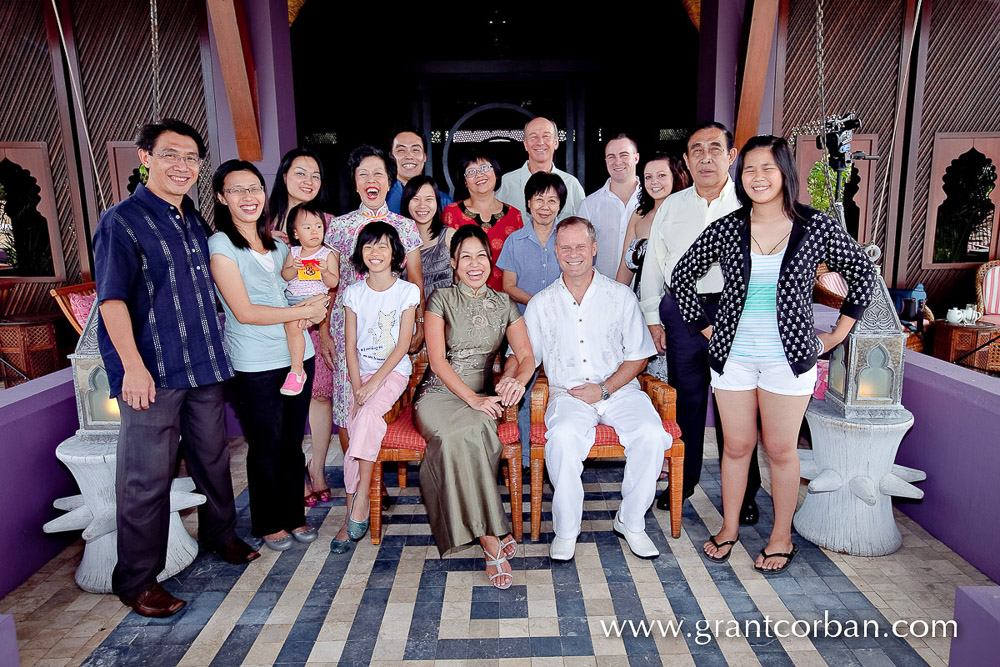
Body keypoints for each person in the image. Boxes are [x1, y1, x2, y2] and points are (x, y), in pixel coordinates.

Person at [672, 135, 877, 573]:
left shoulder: (815, 227)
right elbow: (681, 276)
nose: (758, 177)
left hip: (789, 360)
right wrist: (708, 329)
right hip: (733, 360)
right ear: (739, 175)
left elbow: (862, 273)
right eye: (749, 169)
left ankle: (781, 537)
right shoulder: (728, 227)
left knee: (781, 449)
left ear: (785, 172)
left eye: (767, 168)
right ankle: (729, 527)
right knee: (737, 447)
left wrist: (837, 334)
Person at [95, 119, 257, 618]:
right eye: (170, 155)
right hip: (155, 372)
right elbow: (112, 301)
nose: (182, 166)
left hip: (204, 366)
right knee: (146, 477)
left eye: (191, 158)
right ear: (145, 157)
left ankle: (219, 535)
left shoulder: (193, 219)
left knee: (213, 459)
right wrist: (133, 368)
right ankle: (137, 580)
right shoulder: (120, 221)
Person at [525, 217, 671, 562]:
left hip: (619, 390)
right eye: (565, 247)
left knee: (650, 434)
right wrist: (511, 379)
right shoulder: (541, 305)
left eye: (580, 246)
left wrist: (604, 389)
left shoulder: (619, 296)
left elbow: (638, 358)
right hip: (568, 394)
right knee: (560, 439)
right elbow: (527, 359)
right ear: (555, 251)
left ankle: (631, 522)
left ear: (593, 249)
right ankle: (566, 530)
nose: (573, 254)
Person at [639, 122, 761, 522]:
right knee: (687, 403)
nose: (705, 158)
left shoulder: (751, 204)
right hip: (683, 315)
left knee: (737, 405)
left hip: (736, 311)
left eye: (714, 149)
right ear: (686, 161)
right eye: (697, 151)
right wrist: (654, 317)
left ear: (731, 155)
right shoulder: (672, 207)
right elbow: (655, 268)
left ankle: (743, 495)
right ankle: (683, 482)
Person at [208, 160, 330, 552]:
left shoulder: (278, 246)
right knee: (266, 444)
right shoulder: (221, 245)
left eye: (254, 189)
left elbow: (293, 288)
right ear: (221, 197)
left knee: (294, 441)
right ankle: (268, 521)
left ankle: (294, 514)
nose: (248, 197)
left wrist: (315, 303)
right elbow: (243, 311)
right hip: (254, 363)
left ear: (265, 194)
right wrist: (303, 312)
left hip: (298, 355)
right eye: (237, 190)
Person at [413, 224, 535, 589]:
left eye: (480, 255)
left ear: (490, 260)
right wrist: (474, 399)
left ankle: (487, 532)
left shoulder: (504, 303)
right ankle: (492, 541)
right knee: (460, 432)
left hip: (481, 395)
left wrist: (516, 380)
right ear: (454, 262)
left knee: (477, 429)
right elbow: (436, 360)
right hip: (438, 394)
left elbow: (526, 355)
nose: (474, 262)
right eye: (465, 256)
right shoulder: (441, 298)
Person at [322, 145, 425, 457]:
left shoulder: (405, 226)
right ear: (355, 183)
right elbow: (330, 284)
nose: (371, 179)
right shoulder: (338, 227)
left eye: (378, 173)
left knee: (379, 401)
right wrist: (325, 330)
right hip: (346, 330)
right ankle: (360, 481)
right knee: (347, 405)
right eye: (362, 173)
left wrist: (418, 322)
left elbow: (416, 279)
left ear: (390, 182)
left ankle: (374, 473)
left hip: (390, 330)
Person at [331, 222, 420, 553]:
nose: (375, 252)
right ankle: (356, 503)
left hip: (393, 373)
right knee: (358, 422)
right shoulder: (353, 293)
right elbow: (350, 346)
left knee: (366, 418)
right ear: (360, 254)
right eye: (368, 247)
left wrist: (373, 386)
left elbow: (402, 347)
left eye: (383, 246)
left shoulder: (407, 291)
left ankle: (360, 501)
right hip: (361, 376)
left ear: (395, 252)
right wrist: (357, 388)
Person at [268, 147, 335, 505]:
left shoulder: (328, 221)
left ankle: (319, 469)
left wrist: (324, 329)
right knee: (282, 400)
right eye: (300, 173)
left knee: (320, 396)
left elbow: (334, 279)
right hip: (271, 324)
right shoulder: (262, 221)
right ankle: (291, 473)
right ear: (283, 176)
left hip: (317, 320)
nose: (309, 181)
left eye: (315, 175)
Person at [496, 171, 566, 468]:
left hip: (564, 327)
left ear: (560, 205)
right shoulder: (515, 240)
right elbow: (508, 286)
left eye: (552, 200)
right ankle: (525, 458)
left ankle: (558, 455)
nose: (545, 206)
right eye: (539, 199)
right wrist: (538, 303)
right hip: (523, 327)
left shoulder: (567, 239)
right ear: (528, 202)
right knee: (521, 384)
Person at [615, 152, 691, 388]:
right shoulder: (639, 216)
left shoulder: (688, 214)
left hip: (675, 308)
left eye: (661, 175)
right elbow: (624, 270)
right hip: (639, 309)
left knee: (674, 383)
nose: (654, 182)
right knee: (642, 379)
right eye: (648, 177)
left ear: (676, 176)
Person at [279, 201, 339, 396]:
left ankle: (296, 372)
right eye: (307, 227)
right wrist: (293, 267)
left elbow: (333, 282)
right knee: (292, 325)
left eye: (318, 226)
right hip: (294, 299)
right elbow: (285, 276)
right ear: (296, 233)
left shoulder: (326, 254)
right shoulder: (294, 253)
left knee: (293, 325)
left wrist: (324, 271)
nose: (314, 231)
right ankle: (296, 369)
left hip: (317, 299)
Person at [441, 152, 523, 291]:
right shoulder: (452, 213)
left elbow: (520, 263)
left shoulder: (514, 215)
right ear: (464, 181)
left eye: (485, 168)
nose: (479, 175)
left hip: (505, 300)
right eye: (471, 171)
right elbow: (446, 263)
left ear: (496, 173)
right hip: (464, 299)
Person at [495, 116, 585, 221]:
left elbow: (583, 227)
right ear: (525, 144)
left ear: (556, 143)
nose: (540, 142)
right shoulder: (506, 184)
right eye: (533, 137)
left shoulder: (571, 185)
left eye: (546, 136)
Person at [577, 134, 641, 278]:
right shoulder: (589, 205)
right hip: (602, 294)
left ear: (636, 158)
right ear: (605, 161)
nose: (617, 162)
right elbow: (580, 252)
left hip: (645, 295)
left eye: (624, 155)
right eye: (611, 156)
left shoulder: (652, 201)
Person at [401, 175, 455, 297]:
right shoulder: (398, 240)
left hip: (445, 311)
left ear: (437, 202)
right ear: (406, 202)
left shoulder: (449, 236)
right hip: (411, 312)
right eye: (415, 199)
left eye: (429, 199)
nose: (422, 205)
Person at [386, 129, 453, 214]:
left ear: (425, 157)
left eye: (415, 150)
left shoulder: (443, 201)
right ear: (390, 156)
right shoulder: (381, 198)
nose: (409, 156)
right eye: (401, 150)